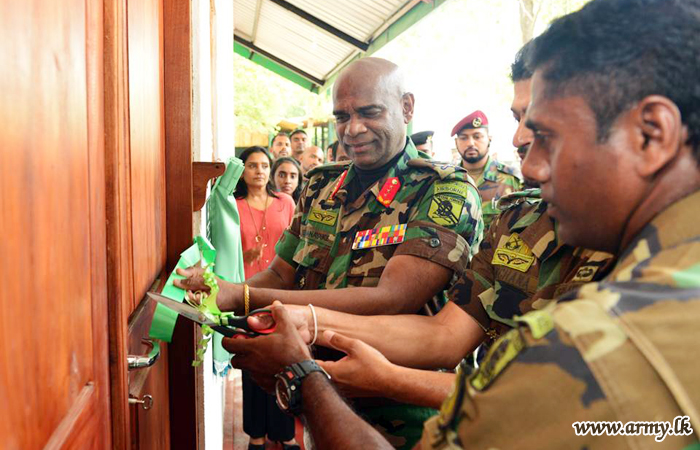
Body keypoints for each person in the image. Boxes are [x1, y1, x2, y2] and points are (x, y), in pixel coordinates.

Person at [222, 0, 700, 448]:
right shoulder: (521, 221)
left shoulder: (599, 338)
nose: (528, 163)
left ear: (651, 134)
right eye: (520, 124)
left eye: (547, 133)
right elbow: (444, 336)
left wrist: (304, 375)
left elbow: (405, 307)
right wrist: (304, 326)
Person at [176, 57, 483, 449]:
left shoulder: (444, 192)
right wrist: (225, 295)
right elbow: (280, 275)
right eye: (342, 116)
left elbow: (394, 298)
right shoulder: (322, 186)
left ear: (406, 107)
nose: (353, 129)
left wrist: (244, 296)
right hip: (317, 391)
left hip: (404, 417)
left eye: (369, 113)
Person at [233, 146, 298, 450]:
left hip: (283, 295)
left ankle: (284, 434)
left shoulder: (285, 203)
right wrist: (246, 255)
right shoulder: (232, 206)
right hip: (248, 293)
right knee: (253, 364)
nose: (258, 171)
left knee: (285, 361)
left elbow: (300, 244)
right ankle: (256, 434)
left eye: (263, 165)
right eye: (251, 165)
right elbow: (226, 250)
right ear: (242, 171)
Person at [452, 110, 522, 228]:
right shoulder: (449, 179)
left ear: (489, 139)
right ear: (456, 142)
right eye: (464, 138)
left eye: (477, 136)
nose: (471, 143)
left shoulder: (511, 180)